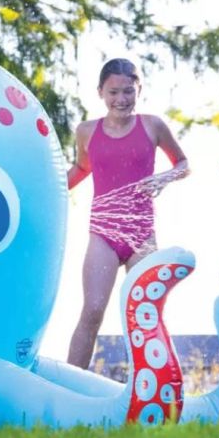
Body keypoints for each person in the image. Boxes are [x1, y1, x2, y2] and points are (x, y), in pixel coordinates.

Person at [66, 58, 190, 368]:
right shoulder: (86, 131)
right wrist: (50, 188)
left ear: (139, 90)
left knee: (146, 314)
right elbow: (82, 168)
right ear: (100, 93)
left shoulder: (153, 125)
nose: (121, 99)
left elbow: (184, 164)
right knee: (93, 310)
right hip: (103, 234)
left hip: (142, 234)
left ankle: (154, 390)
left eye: (128, 91)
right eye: (113, 92)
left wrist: (165, 177)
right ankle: (68, 386)